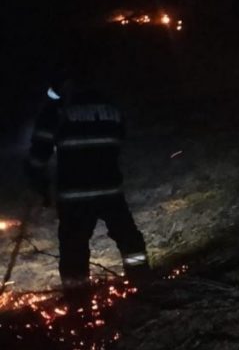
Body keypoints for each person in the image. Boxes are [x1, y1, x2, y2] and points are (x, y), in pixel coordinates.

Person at [24, 56, 149, 301]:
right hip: (110, 189)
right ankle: (144, 285)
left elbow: (38, 156)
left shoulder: (56, 112)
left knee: (74, 249)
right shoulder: (111, 108)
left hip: (75, 195)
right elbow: (118, 140)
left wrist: (38, 183)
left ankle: (78, 300)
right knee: (129, 239)